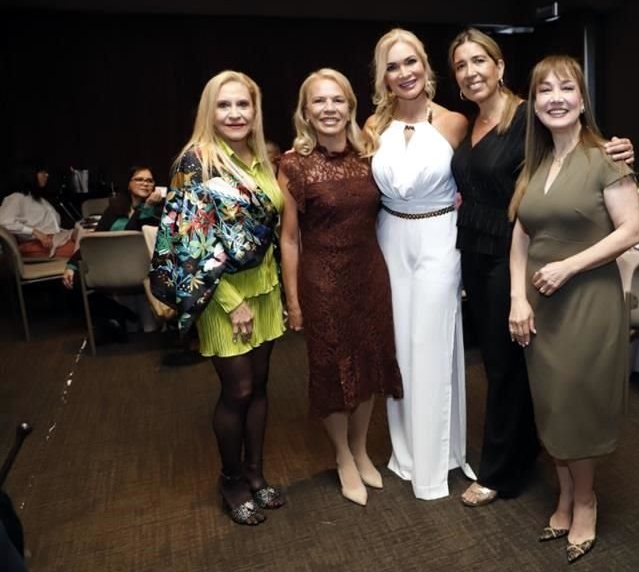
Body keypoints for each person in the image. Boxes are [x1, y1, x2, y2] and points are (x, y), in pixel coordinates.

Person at [447, 28, 635, 507]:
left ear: (500, 65)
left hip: (542, 268)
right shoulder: (481, 129)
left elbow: (592, 167)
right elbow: (516, 204)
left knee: (519, 370)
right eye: (461, 66)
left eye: (479, 61)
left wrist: (621, 151)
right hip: (488, 254)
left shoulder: (529, 118)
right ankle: (544, 469)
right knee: (517, 369)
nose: (471, 72)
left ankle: (512, 472)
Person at [508, 55, 639, 563]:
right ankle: (564, 494)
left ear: (582, 100)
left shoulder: (606, 158)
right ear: (535, 104)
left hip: (587, 301)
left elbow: (632, 230)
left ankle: (585, 499)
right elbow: (520, 236)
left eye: (566, 89)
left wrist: (568, 266)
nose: (556, 98)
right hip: (540, 307)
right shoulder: (537, 165)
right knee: (551, 403)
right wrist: (518, 297)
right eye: (545, 91)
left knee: (577, 404)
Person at [149, 70, 286, 525]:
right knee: (239, 388)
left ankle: (255, 474)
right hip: (220, 295)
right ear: (210, 111)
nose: (234, 114)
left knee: (261, 386)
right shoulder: (196, 162)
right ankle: (229, 479)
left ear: (255, 110)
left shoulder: (259, 157)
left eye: (243, 105)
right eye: (224, 105)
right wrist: (232, 300)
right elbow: (192, 243)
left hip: (264, 290)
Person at [278, 68, 403, 507]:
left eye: (337, 100)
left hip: (369, 274)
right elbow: (289, 238)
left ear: (350, 106)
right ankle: (342, 456)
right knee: (333, 369)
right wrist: (292, 300)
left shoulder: (370, 154)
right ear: (306, 111)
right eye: (319, 101)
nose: (329, 108)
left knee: (367, 364)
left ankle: (361, 448)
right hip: (322, 281)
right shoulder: (293, 164)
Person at [364, 28, 474, 500]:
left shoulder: (454, 122)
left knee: (432, 344)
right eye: (393, 66)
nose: (404, 73)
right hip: (390, 238)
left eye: (411, 62)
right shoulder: (370, 127)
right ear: (383, 77)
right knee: (398, 348)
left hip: (438, 237)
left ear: (426, 66)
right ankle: (405, 453)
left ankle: (438, 461)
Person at [62, 166, 164, 340]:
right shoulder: (115, 209)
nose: (145, 183)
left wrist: (147, 207)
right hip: (112, 267)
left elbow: (132, 232)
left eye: (149, 180)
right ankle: (117, 312)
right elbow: (96, 240)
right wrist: (71, 264)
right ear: (128, 183)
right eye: (139, 179)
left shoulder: (158, 210)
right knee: (74, 279)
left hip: (144, 268)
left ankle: (122, 318)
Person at [0, 165, 77, 258]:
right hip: (36, 244)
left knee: (88, 238)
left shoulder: (39, 199)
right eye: (42, 172)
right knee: (87, 249)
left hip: (56, 239)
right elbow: (4, 222)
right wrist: (35, 232)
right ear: (30, 175)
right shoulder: (16, 198)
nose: (47, 175)